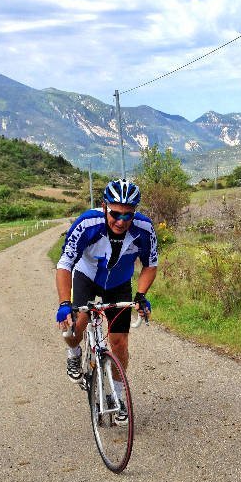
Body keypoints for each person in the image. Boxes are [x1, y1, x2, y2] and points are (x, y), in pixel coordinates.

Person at [55, 178, 157, 423]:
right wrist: (63, 303)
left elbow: (150, 265)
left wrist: (141, 296)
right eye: (115, 214)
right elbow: (65, 263)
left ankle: (119, 397)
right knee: (75, 325)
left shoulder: (144, 229)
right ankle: (74, 353)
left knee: (119, 343)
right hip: (86, 275)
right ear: (104, 206)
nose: (121, 221)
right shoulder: (87, 223)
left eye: (128, 215)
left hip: (119, 283)